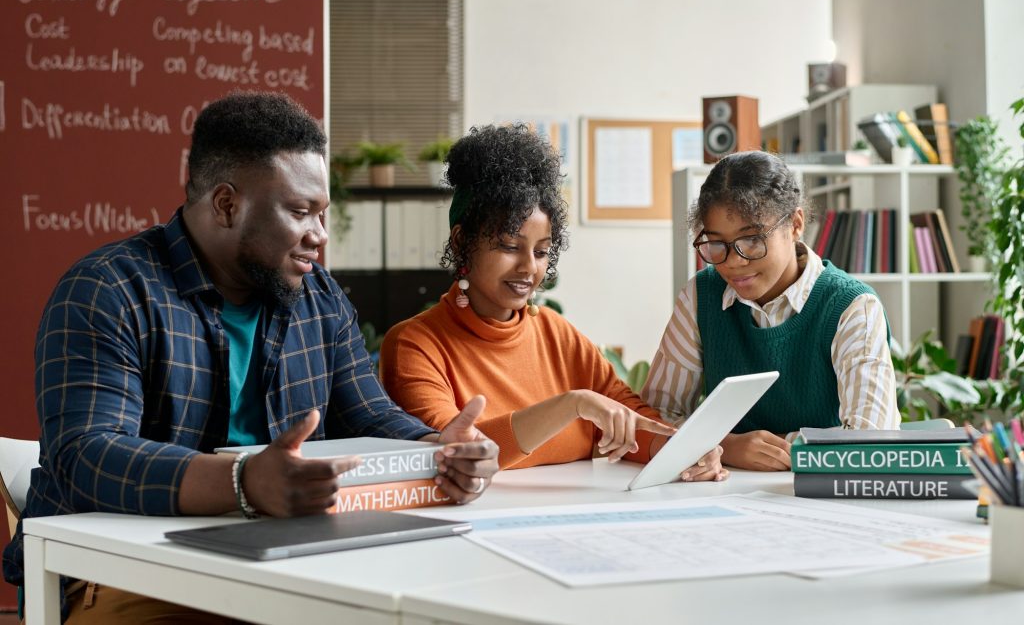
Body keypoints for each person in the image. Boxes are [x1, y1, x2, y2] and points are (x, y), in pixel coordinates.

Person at [2, 91, 499, 624]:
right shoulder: (107, 290)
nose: (320, 236)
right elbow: (88, 455)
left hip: (279, 565)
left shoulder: (319, 297)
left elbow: (369, 414)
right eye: (301, 212)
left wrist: (436, 449)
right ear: (226, 205)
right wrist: (244, 483)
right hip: (120, 572)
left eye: (323, 214)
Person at [380, 124, 725, 478]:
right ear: (461, 242)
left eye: (542, 251)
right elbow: (455, 451)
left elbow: (630, 421)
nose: (529, 267)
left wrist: (684, 451)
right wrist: (570, 405)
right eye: (509, 246)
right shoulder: (415, 346)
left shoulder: (558, 336)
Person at [642, 150, 899, 472]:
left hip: (822, 493)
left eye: (751, 240)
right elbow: (652, 418)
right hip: (723, 490)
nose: (734, 262)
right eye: (717, 244)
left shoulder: (852, 308)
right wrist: (727, 447)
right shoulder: (701, 296)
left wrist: (774, 447)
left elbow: (870, 442)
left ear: (795, 224)